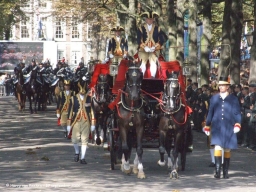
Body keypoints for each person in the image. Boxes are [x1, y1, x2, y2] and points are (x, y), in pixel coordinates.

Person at [203, 76, 241, 179]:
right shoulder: (214, 98)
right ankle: (217, 170)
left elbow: (237, 113)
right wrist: (207, 125)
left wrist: (238, 123)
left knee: (228, 149)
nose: (220, 87)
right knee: (217, 147)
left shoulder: (233, 99)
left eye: (223, 85)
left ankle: (226, 171)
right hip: (217, 126)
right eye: (220, 85)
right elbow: (210, 112)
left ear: (227, 86)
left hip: (229, 126)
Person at [67, 82, 95, 164]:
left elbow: (92, 111)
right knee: (75, 139)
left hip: (86, 121)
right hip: (76, 121)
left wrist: (93, 123)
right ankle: (77, 152)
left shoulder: (90, 99)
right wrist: (68, 124)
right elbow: (70, 111)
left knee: (84, 140)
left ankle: (83, 158)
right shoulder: (73, 99)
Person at [137, 10, 167, 78]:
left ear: (153, 19)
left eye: (151, 19)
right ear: (146, 19)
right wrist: (145, 47)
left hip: (154, 50)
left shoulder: (158, 29)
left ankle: (153, 77)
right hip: (143, 49)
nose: (150, 20)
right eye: (148, 19)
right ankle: (141, 77)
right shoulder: (140, 28)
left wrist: (155, 47)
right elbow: (139, 40)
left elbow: (161, 40)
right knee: (143, 62)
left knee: (153, 62)